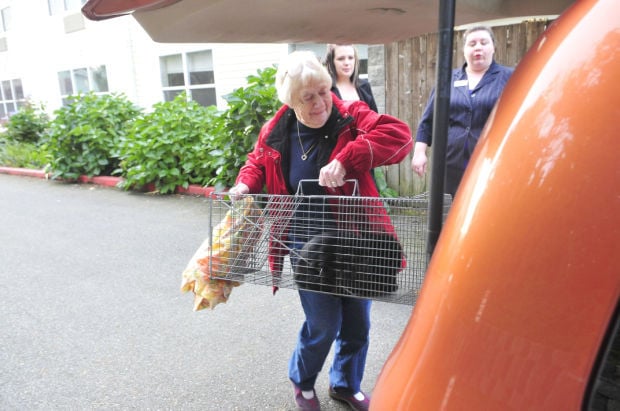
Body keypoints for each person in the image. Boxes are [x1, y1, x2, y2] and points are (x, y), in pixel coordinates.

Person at [228, 51, 412, 411]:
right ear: (292, 102)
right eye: (307, 97)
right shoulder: (277, 131)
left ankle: (344, 383)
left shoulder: (352, 116)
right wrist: (244, 185)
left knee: (358, 322)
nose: (320, 103)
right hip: (305, 243)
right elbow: (257, 162)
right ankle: (303, 380)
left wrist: (348, 157)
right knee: (324, 324)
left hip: (355, 239)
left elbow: (399, 137)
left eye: (323, 92)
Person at [411, 25, 514, 197]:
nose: (478, 47)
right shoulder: (447, 79)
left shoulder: (509, 77)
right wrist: (419, 153)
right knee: (453, 212)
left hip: (492, 159)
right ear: (464, 50)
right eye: (472, 44)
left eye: (483, 42)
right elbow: (429, 120)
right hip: (451, 162)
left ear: (493, 47)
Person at [324, 44, 378, 113]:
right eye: (341, 59)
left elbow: (375, 119)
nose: (347, 63)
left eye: (350, 58)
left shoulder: (365, 86)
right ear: (331, 62)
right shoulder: (326, 90)